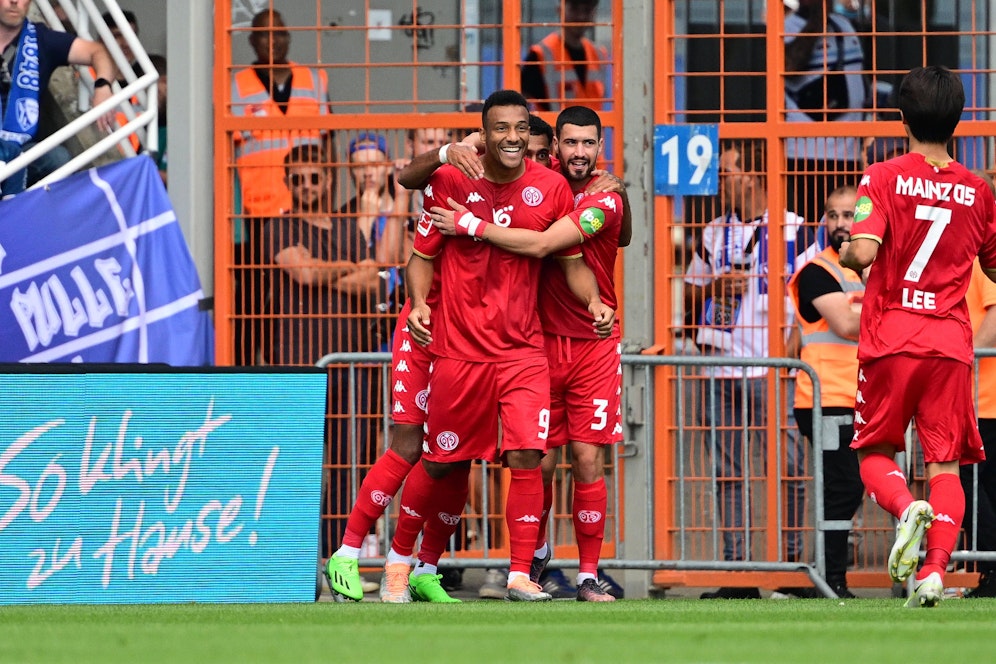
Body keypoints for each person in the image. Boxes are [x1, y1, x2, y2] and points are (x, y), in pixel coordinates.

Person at [399, 89, 613, 603]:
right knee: (439, 460)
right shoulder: (454, 176)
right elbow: (411, 204)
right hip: (459, 347)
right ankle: (397, 562)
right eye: (502, 129)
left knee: (535, 456)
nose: (514, 138)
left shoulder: (570, 192)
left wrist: (594, 301)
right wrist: (419, 303)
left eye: (521, 128)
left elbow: (561, 253)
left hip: (530, 348)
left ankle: (530, 572)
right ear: (485, 133)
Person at [839, 65, 996, 608]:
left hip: (891, 336)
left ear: (901, 117)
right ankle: (933, 572)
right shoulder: (978, 190)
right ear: (958, 120)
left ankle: (906, 508)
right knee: (946, 466)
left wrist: (847, 253)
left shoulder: (882, 177)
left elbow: (863, 251)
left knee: (874, 451)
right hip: (949, 344)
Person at [684, 139, 814, 599]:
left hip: (773, 368)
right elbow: (687, 292)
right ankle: (737, 573)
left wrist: (790, 359)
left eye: (728, 172)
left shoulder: (796, 228)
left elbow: (813, 299)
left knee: (791, 468)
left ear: (754, 175)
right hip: (720, 364)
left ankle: (793, 569)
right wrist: (715, 286)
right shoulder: (713, 231)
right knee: (728, 471)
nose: (720, 181)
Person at [231, 7, 331, 365]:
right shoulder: (236, 85)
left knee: (297, 293)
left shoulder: (314, 80)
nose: (272, 41)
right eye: (264, 34)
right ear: (251, 40)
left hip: (307, 208)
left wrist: (328, 203)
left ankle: (287, 364)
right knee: (254, 296)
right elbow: (225, 153)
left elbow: (329, 143)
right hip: (258, 212)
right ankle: (243, 368)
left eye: (279, 33)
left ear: (288, 37)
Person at [787, 185, 865, 599]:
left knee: (848, 486)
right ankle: (831, 579)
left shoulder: (866, 271)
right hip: (826, 399)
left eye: (848, 215)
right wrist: (899, 305)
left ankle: (824, 576)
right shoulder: (818, 271)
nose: (839, 223)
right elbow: (848, 325)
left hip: (861, 398)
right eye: (832, 215)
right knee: (845, 487)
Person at [0, 0, 115, 196]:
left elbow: (97, 51)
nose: (14, 2)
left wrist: (103, 86)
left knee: (59, 159)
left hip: (19, 147)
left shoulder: (41, 39)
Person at [783, 0, 866, 230]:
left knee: (849, 226)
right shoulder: (788, 27)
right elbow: (788, 65)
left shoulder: (843, 25)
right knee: (812, 226)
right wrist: (818, 20)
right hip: (807, 154)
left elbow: (860, 74)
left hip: (849, 153)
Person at [521, 0, 607, 112]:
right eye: (574, 9)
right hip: (553, 124)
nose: (581, 16)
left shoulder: (599, 54)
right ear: (560, 10)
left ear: (594, 13)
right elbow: (521, 101)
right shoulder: (540, 55)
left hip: (594, 124)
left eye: (587, 10)